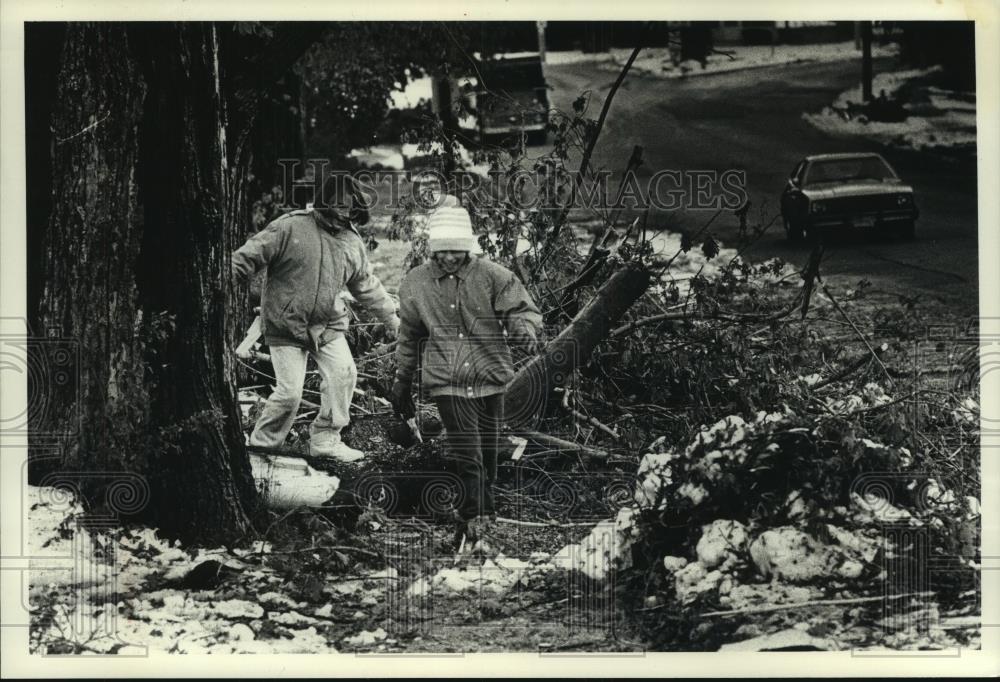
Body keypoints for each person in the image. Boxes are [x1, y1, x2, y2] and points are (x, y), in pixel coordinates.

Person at [391, 195, 542, 548]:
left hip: (490, 377)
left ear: (468, 247)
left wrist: (523, 329)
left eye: (456, 250)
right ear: (432, 249)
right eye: (442, 251)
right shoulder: (416, 283)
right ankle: (478, 521)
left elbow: (522, 309)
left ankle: (474, 515)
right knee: (469, 453)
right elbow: (408, 335)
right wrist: (401, 379)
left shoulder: (493, 276)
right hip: (448, 382)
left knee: (489, 451)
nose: (448, 257)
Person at [232, 172, 399, 463]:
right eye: (337, 208)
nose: (342, 215)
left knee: (343, 376)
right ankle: (262, 448)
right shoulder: (289, 227)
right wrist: (222, 279)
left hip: (328, 326)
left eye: (348, 209)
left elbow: (366, 286)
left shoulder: (351, 242)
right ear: (323, 204)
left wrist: (391, 318)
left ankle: (325, 439)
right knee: (289, 394)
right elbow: (248, 256)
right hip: (286, 326)